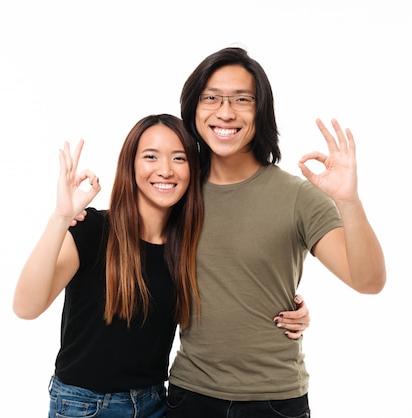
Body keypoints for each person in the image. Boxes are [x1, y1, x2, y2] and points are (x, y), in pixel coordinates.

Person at [13, 114, 309, 418]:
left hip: (157, 403)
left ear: (193, 170)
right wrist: (60, 219)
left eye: (178, 158)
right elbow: (26, 307)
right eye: (150, 156)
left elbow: (232, 293)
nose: (165, 170)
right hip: (85, 406)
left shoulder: (189, 244)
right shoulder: (94, 230)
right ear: (131, 165)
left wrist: (291, 309)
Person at [165, 47, 387, 417]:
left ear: (261, 111)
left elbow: (368, 281)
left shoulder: (297, 196)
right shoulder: (176, 190)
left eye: (242, 99)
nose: (225, 112)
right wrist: (76, 218)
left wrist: (348, 201)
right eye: (211, 98)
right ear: (193, 109)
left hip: (275, 401)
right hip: (190, 395)